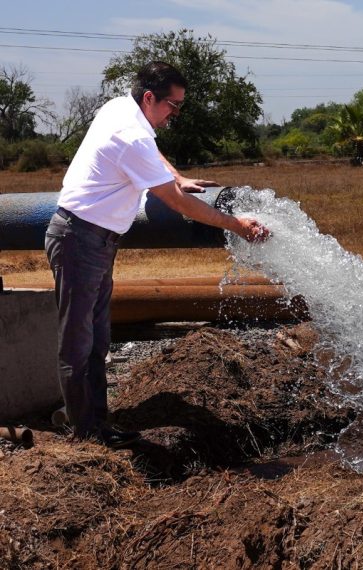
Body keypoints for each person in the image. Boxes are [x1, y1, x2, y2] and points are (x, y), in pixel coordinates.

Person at [44, 61, 269, 448]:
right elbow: (177, 204)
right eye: (172, 105)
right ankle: (85, 438)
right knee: (78, 343)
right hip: (79, 240)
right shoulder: (129, 133)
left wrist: (177, 175)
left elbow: (152, 152)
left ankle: (97, 426)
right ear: (150, 97)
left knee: (98, 340)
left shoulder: (120, 107)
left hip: (94, 240)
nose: (175, 114)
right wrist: (234, 224)